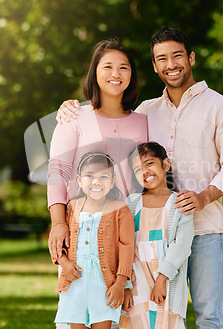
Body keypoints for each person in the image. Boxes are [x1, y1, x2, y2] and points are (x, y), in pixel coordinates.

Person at [57, 27, 223, 329]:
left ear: (192, 58)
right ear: (155, 65)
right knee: (148, 314)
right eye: (162, 59)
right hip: (151, 233)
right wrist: (71, 108)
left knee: (209, 315)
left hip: (204, 228)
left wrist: (204, 196)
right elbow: (110, 126)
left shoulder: (220, 107)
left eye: (177, 56)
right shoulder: (145, 112)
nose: (171, 64)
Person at [47, 39, 148, 328]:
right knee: (78, 311)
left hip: (132, 225)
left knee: (123, 314)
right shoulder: (74, 116)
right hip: (84, 230)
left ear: (131, 75)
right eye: (108, 66)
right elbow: (58, 169)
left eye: (123, 67)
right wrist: (58, 222)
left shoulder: (142, 120)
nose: (116, 73)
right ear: (95, 73)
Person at [54, 152, 135, 329]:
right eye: (89, 176)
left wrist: (120, 283)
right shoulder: (71, 207)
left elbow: (127, 248)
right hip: (75, 280)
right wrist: (63, 263)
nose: (96, 182)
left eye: (103, 176)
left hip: (105, 283)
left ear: (113, 181)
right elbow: (57, 241)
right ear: (79, 180)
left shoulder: (120, 210)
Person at [119, 142, 194, 329]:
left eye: (149, 164)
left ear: (166, 165)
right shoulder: (131, 204)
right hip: (137, 284)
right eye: (137, 169)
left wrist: (162, 278)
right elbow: (124, 245)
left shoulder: (180, 203)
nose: (144, 171)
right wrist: (126, 286)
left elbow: (182, 246)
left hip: (167, 281)